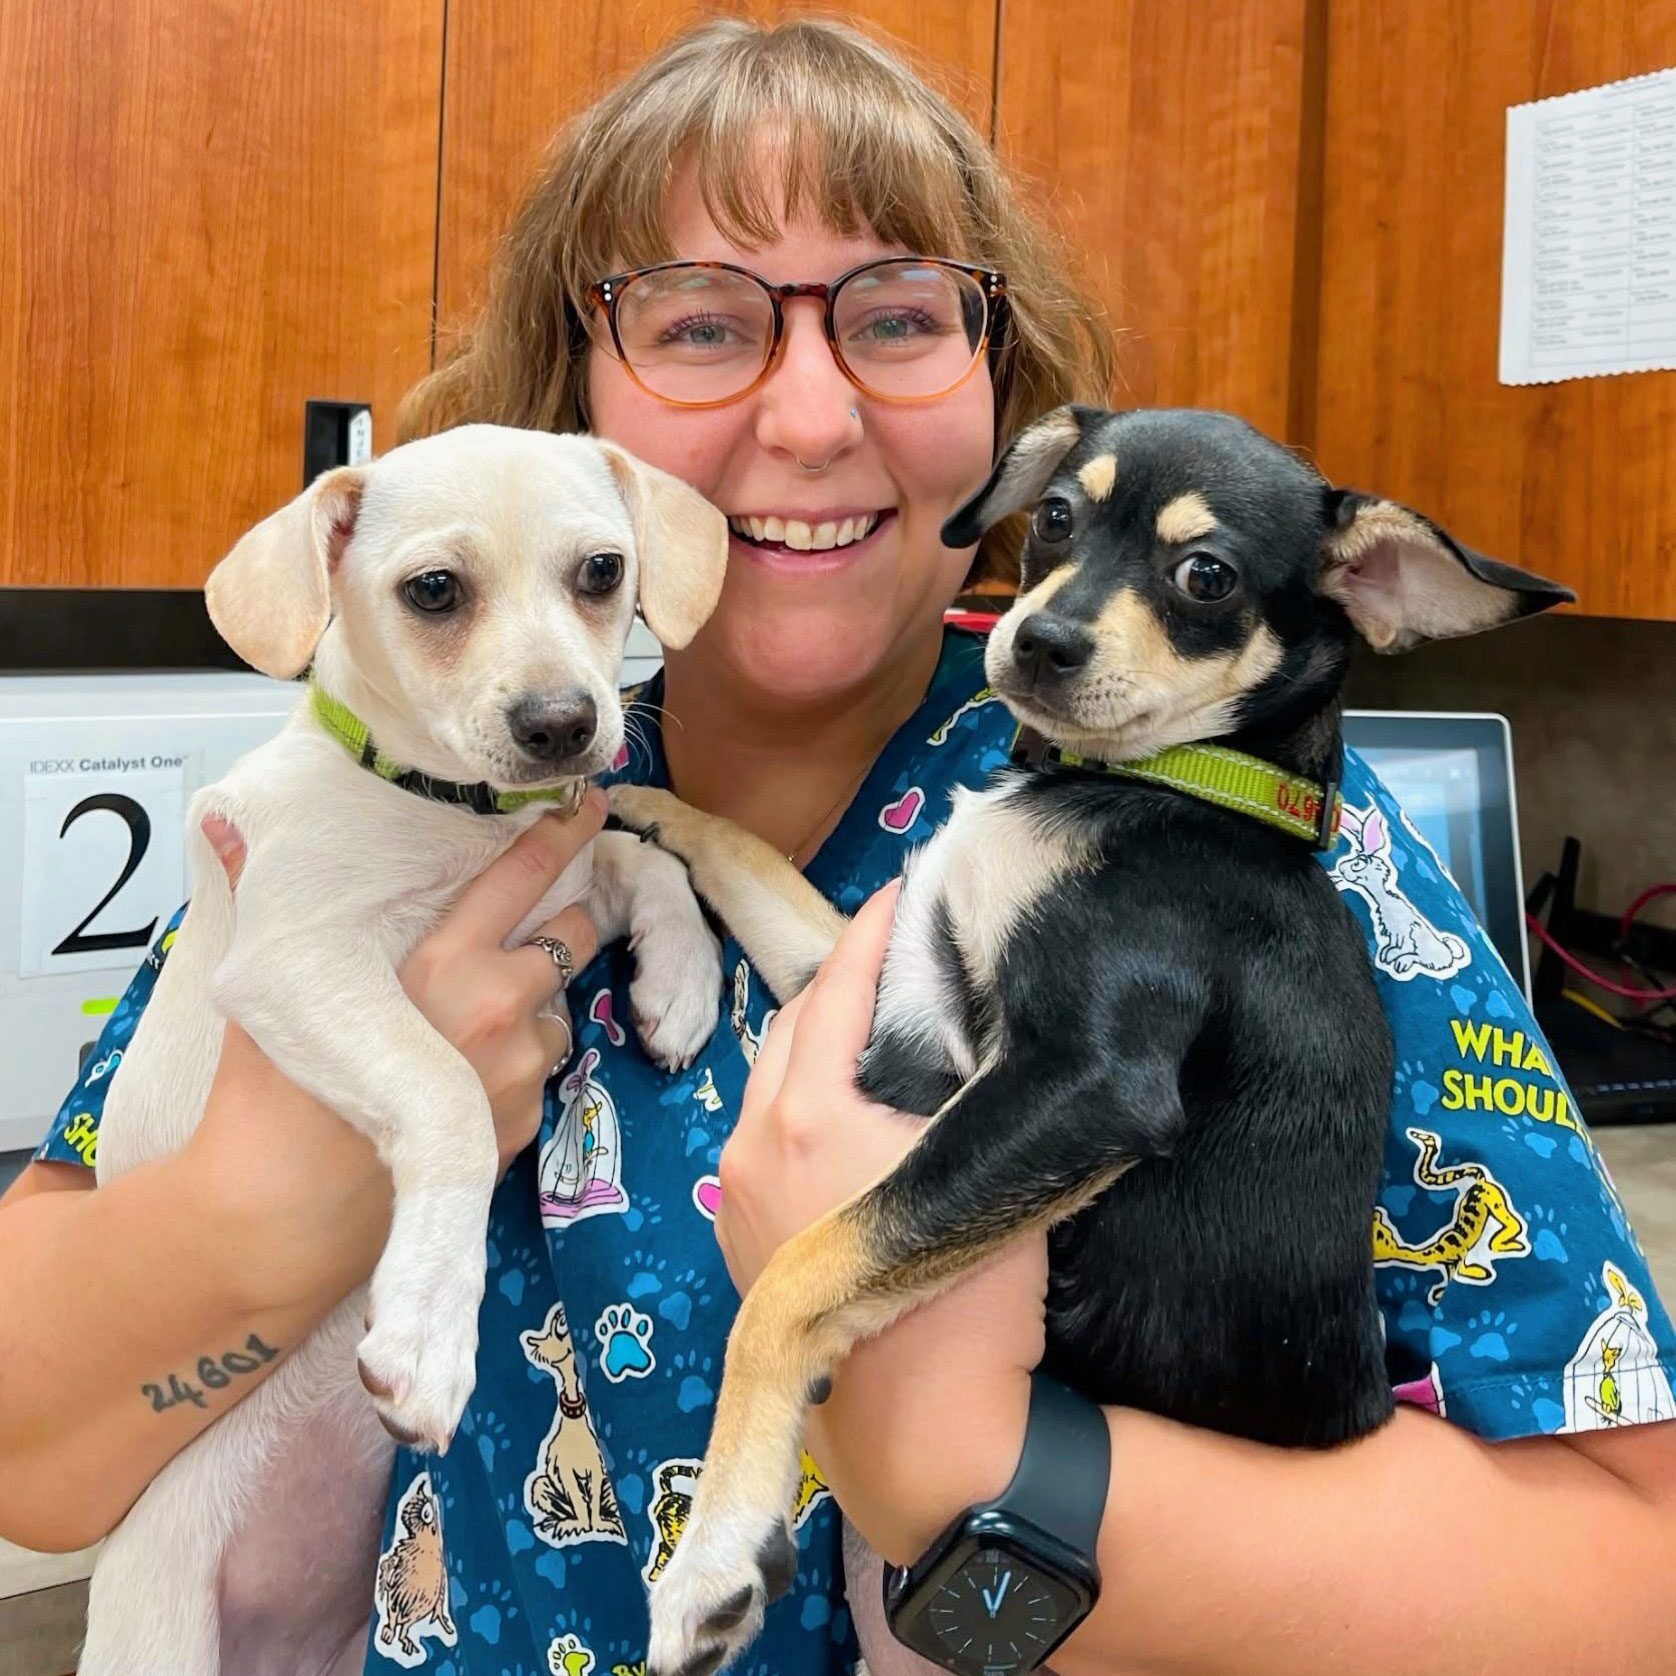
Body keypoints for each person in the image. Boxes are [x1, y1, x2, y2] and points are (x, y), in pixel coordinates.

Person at [3, 17, 1673, 1676]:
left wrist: (982, 1474)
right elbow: (34, 1456)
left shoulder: (1247, 827)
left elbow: (1631, 1579)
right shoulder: (417, 790)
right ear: (568, 411)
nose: (809, 423)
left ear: (1010, 405)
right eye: (700, 322)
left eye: (895, 315)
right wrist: (280, 1203)